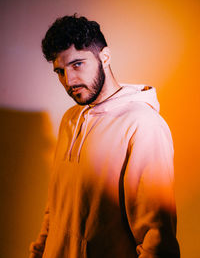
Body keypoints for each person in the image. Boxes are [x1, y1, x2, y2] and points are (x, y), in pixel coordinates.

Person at [29, 14, 180, 258]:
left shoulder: (143, 125)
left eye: (77, 64)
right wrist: (38, 252)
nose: (69, 81)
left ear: (105, 57)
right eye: (60, 71)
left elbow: (157, 237)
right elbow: (55, 207)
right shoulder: (70, 119)